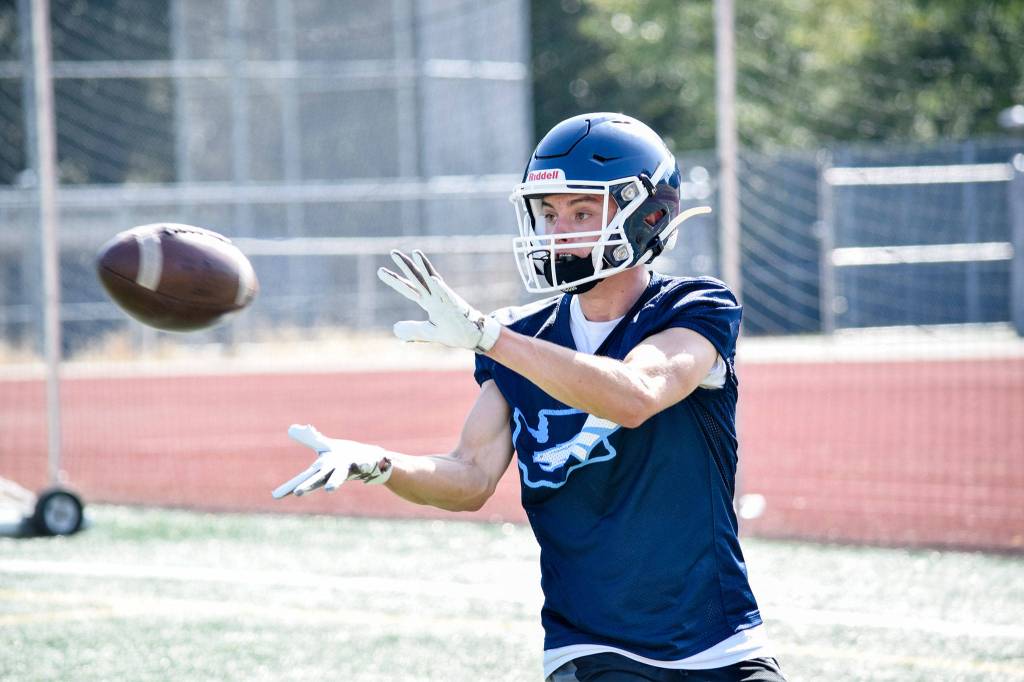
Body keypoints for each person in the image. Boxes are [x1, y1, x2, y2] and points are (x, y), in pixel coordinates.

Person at [273, 113, 785, 682]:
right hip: (592, 648)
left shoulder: (692, 308)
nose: (559, 230)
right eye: (549, 213)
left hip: (722, 646)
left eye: (583, 212)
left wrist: (495, 338)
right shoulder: (519, 337)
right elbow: (469, 477)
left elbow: (637, 394)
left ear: (649, 216)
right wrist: (382, 462)